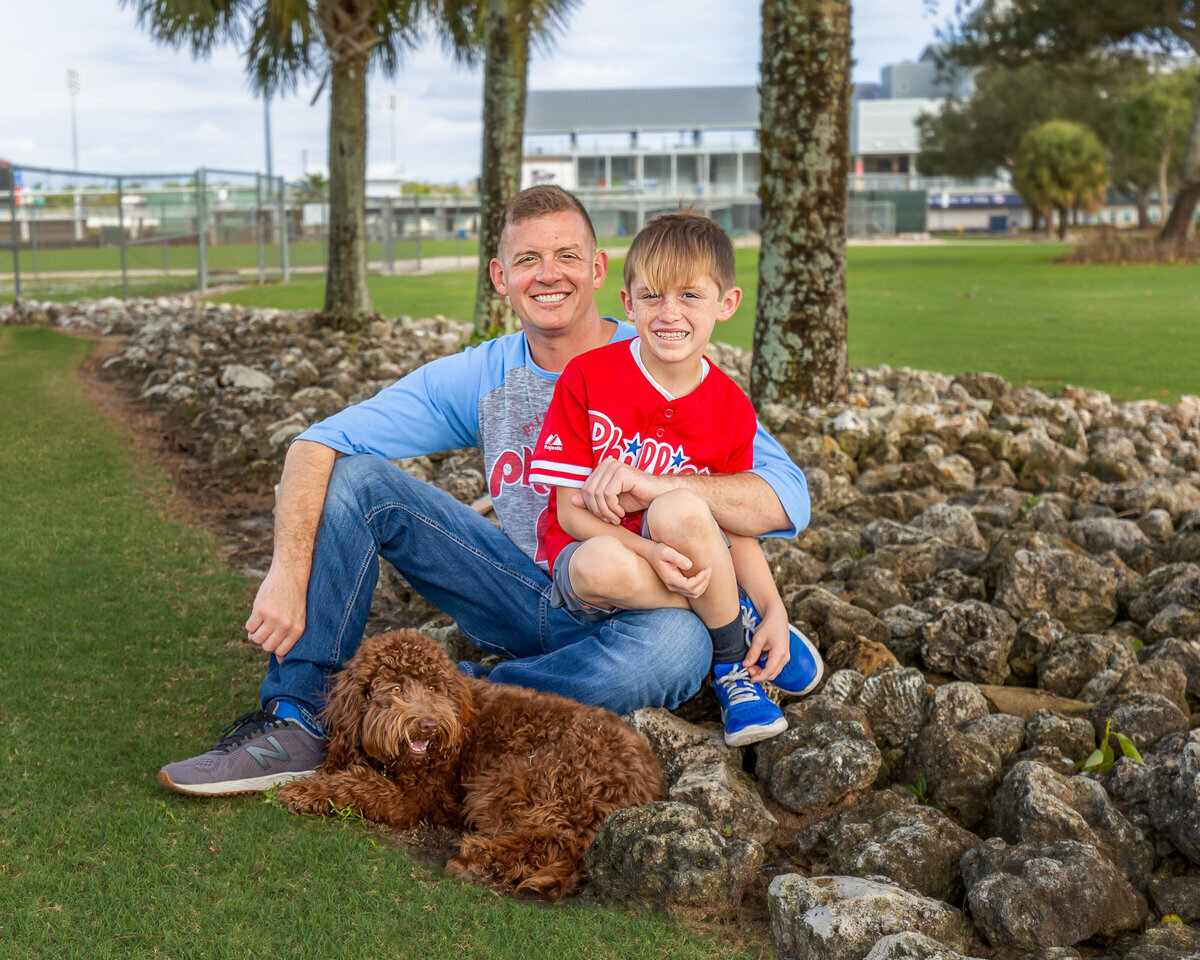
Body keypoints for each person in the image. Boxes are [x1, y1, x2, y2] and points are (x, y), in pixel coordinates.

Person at [158, 185, 810, 797]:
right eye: (527, 259)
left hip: (647, 606)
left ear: (599, 270)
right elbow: (316, 443)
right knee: (359, 478)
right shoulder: (484, 374)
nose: (548, 274)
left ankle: (450, 701)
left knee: (682, 649)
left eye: (566, 256)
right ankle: (299, 719)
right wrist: (286, 569)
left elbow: (783, 498)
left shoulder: (673, 366)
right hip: (524, 590)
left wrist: (656, 485)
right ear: (501, 278)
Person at [529, 212, 822, 747]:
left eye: (690, 296)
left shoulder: (732, 407)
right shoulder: (588, 376)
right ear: (628, 303)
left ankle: (732, 673)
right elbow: (570, 512)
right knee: (603, 563)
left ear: (725, 305)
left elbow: (733, 531)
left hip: (685, 552)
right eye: (652, 296)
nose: (669, 313)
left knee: (681, 508)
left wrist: (777, 607)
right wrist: (647, 554)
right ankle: (732, 623)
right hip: (598, 561)